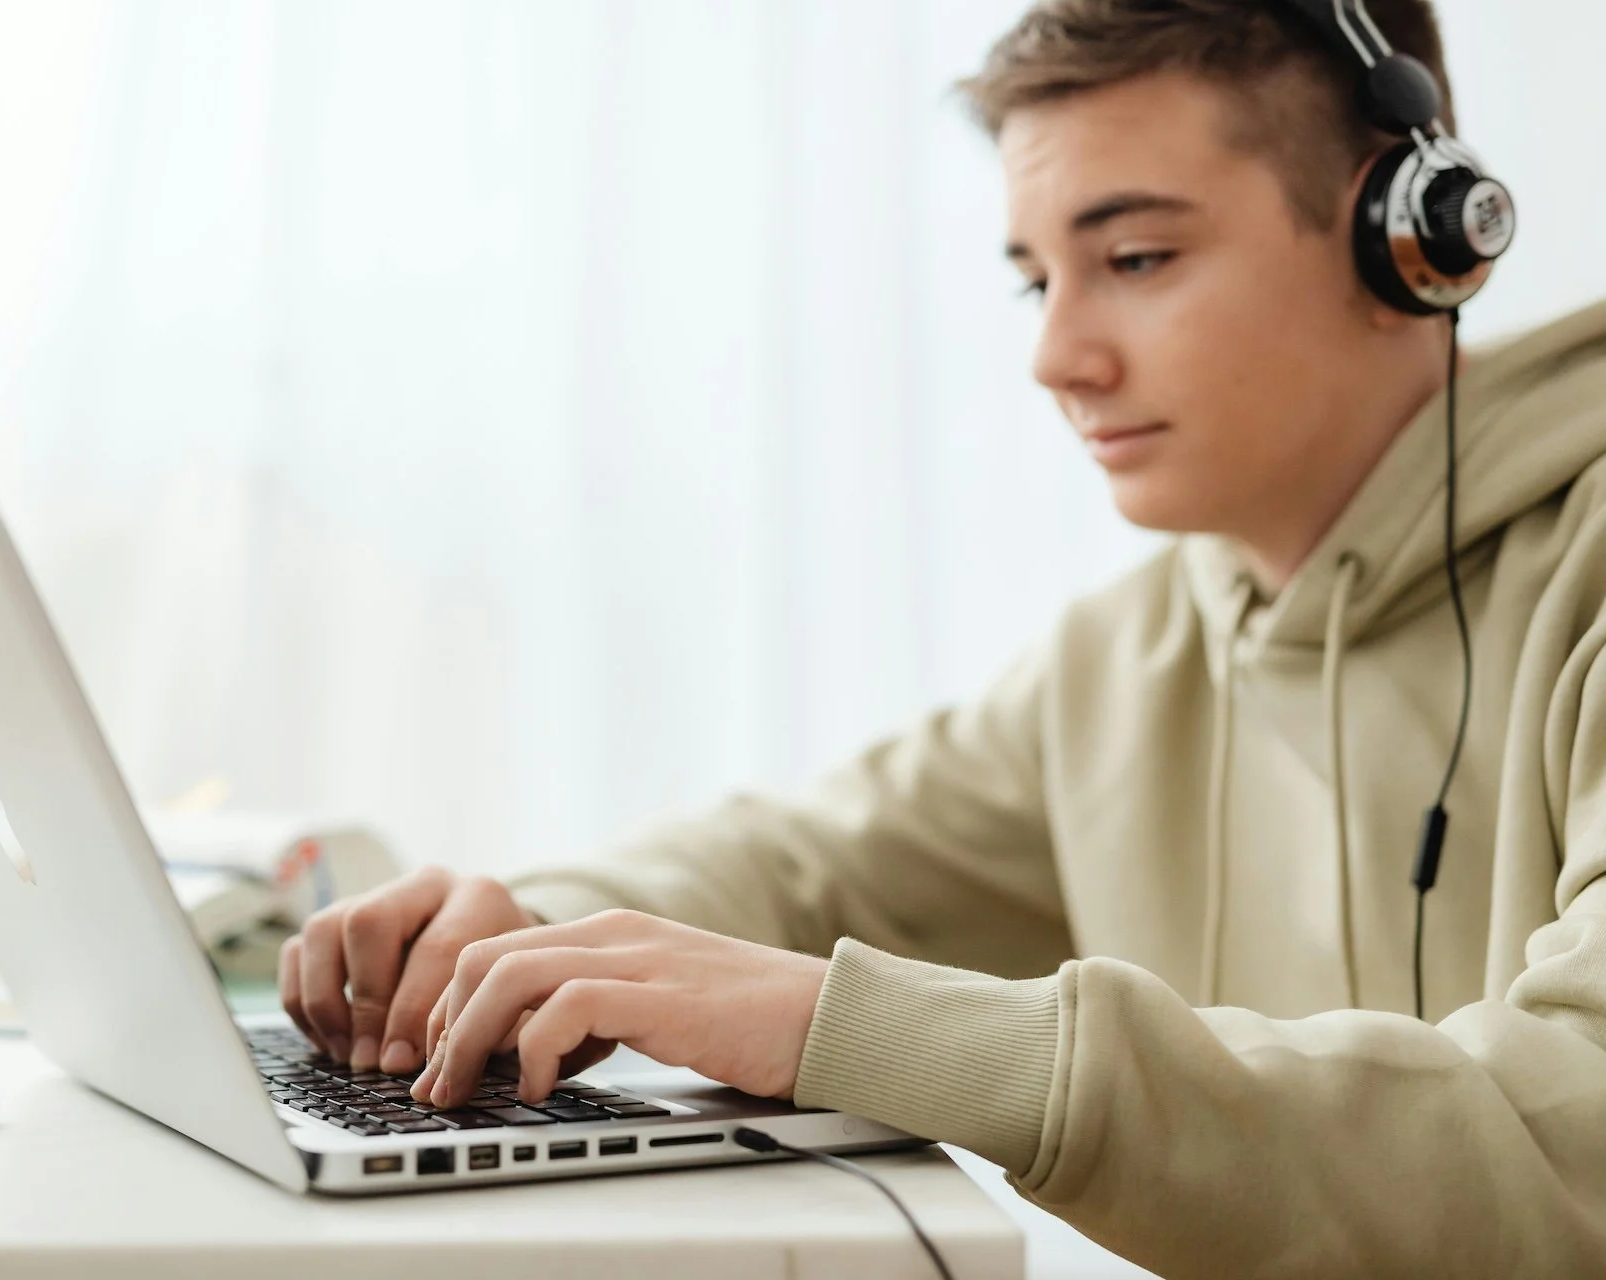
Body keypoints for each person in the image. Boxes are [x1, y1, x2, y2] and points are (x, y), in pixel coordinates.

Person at [279, 2, 1606, 1273]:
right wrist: (530, 938)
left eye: (1135, 259)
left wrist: (839, 1024)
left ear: (1414, 238)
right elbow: (812, 866)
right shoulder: (1133, 652)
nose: (1057, 355)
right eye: (1037, 280)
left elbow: (1580, 1134)